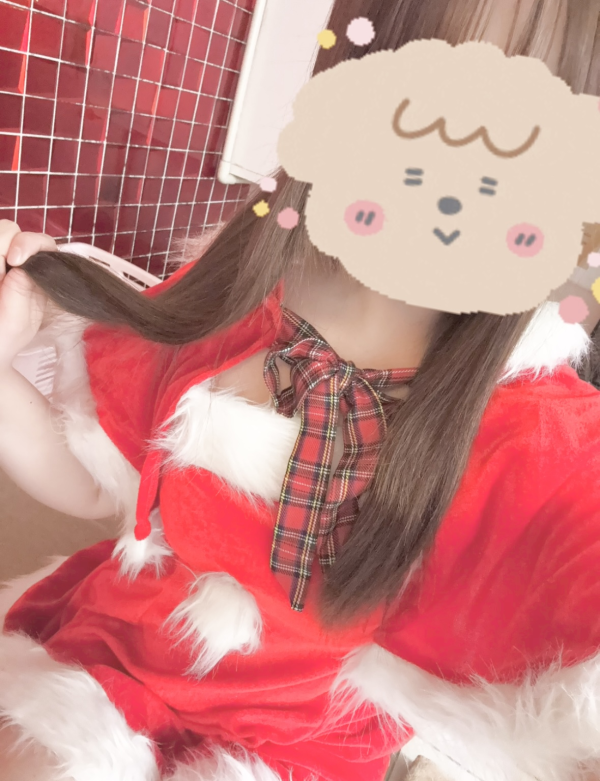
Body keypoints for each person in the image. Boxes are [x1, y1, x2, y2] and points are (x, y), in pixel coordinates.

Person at [0, 0, 599, 780]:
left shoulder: (540, 436)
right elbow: (94, 484)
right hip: (123, 658)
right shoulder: (226, 302)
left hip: (300, 745)